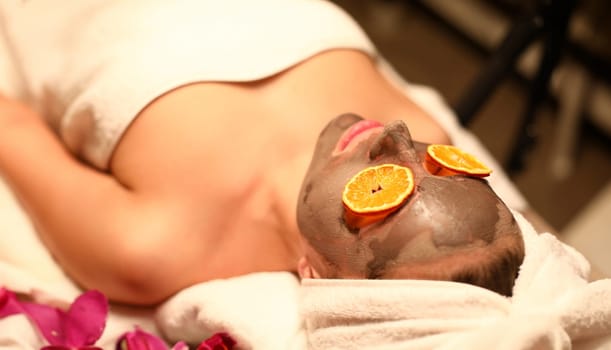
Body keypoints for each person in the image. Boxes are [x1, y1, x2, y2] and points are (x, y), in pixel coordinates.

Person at [0, 0, 523, 305]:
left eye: (388, 194)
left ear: (316, 277)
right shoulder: (433, 133)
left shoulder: (152, 248)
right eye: (444, 168)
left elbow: (12, 126)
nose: (397, 137)